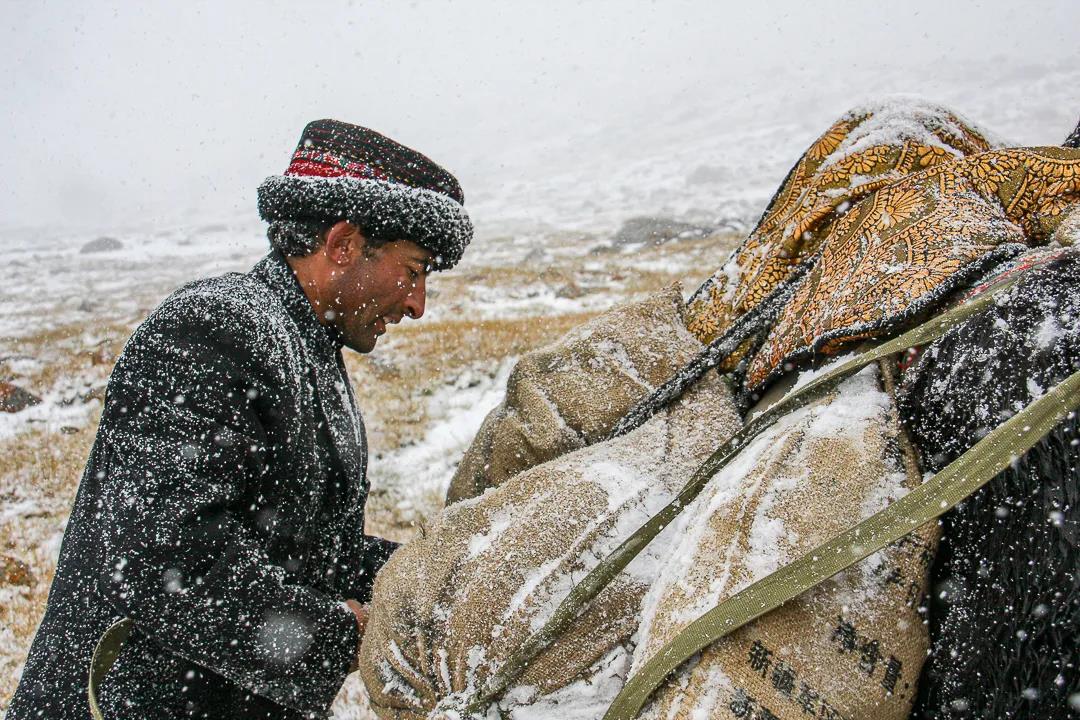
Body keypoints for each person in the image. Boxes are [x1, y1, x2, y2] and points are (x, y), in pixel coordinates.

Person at [7, 120, 473, 719]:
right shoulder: (211, 329)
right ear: (343, 244)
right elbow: (166, 559)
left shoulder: (307, 348)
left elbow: (304, 549)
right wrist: (338, 635)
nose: (416, 304)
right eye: (413, 270)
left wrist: (437, 575)